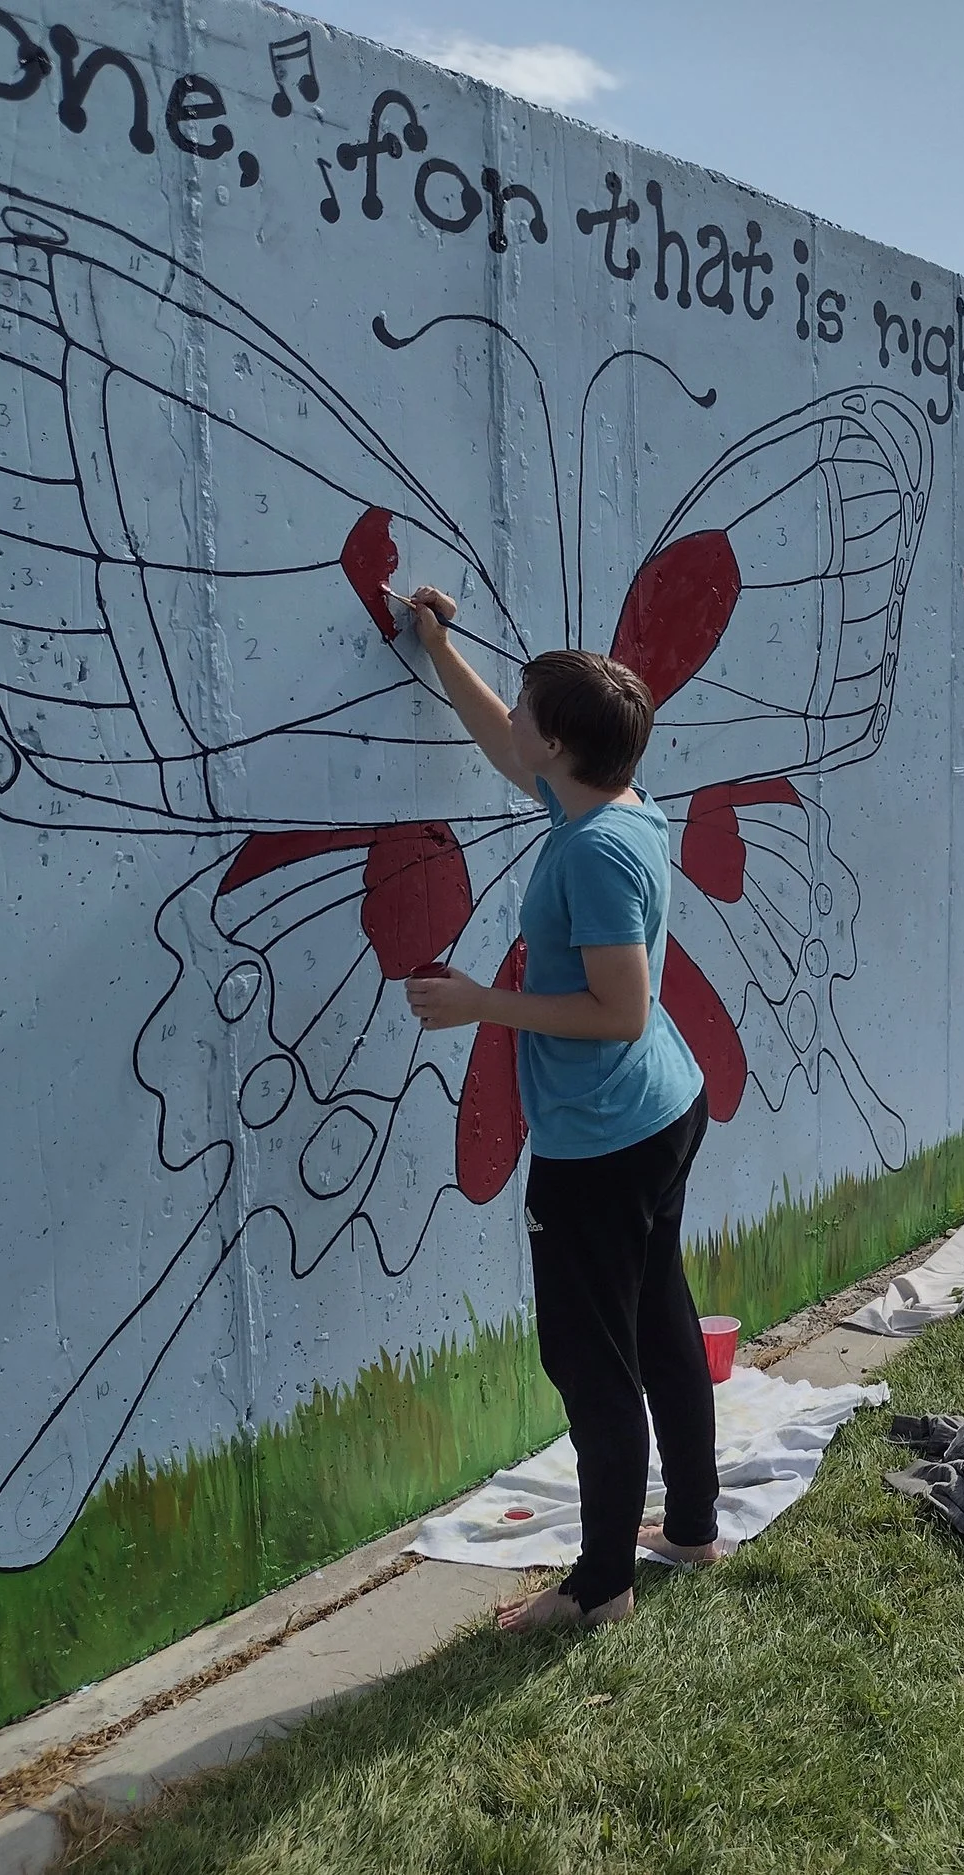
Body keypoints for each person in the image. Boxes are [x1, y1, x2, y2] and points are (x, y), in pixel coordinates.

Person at [398, 584, 729, 1632]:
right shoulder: (611, 801)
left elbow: (620, 1010)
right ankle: (689, 1530)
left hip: (604, 1139)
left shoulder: (591, 849)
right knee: (658, 1320)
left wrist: (476, 1007)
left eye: (533, 709)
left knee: (593, 1365)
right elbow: (505, 737)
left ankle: (598, 1591)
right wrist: (438, 649)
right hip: (660, 1113)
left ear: (564, 747)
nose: (518, 720)